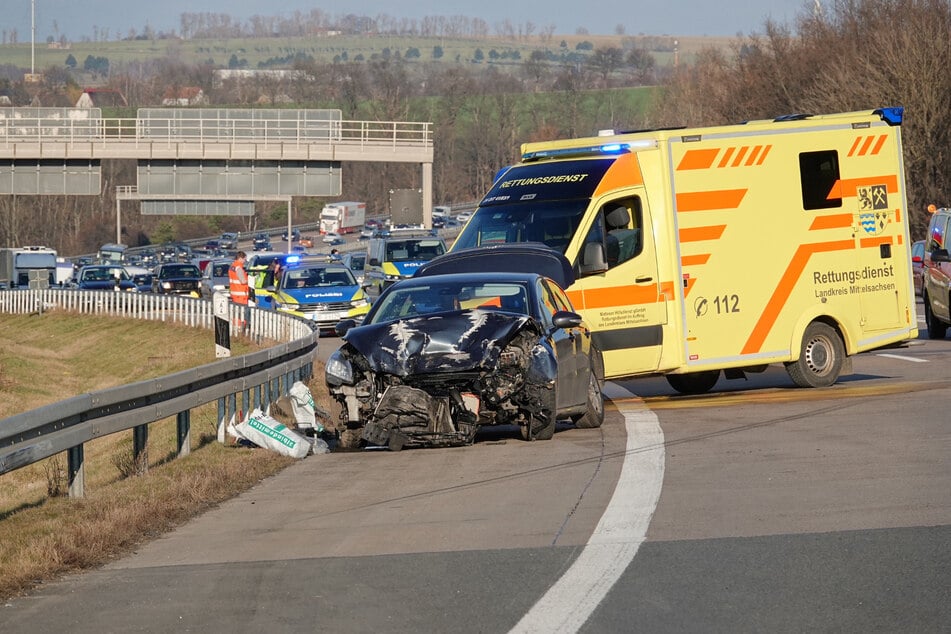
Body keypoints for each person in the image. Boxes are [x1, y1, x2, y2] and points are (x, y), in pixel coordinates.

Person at [229, 251, 251, 335]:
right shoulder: (238, 268)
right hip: (241, 295)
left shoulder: (232, 267)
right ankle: (241, 331)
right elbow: (243, 281)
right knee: (243, 314)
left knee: (237, 313)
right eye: (244, 259)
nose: (245, 261)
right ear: (240, 258)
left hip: (235, 294)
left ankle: (236, 330)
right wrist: (251, 280)